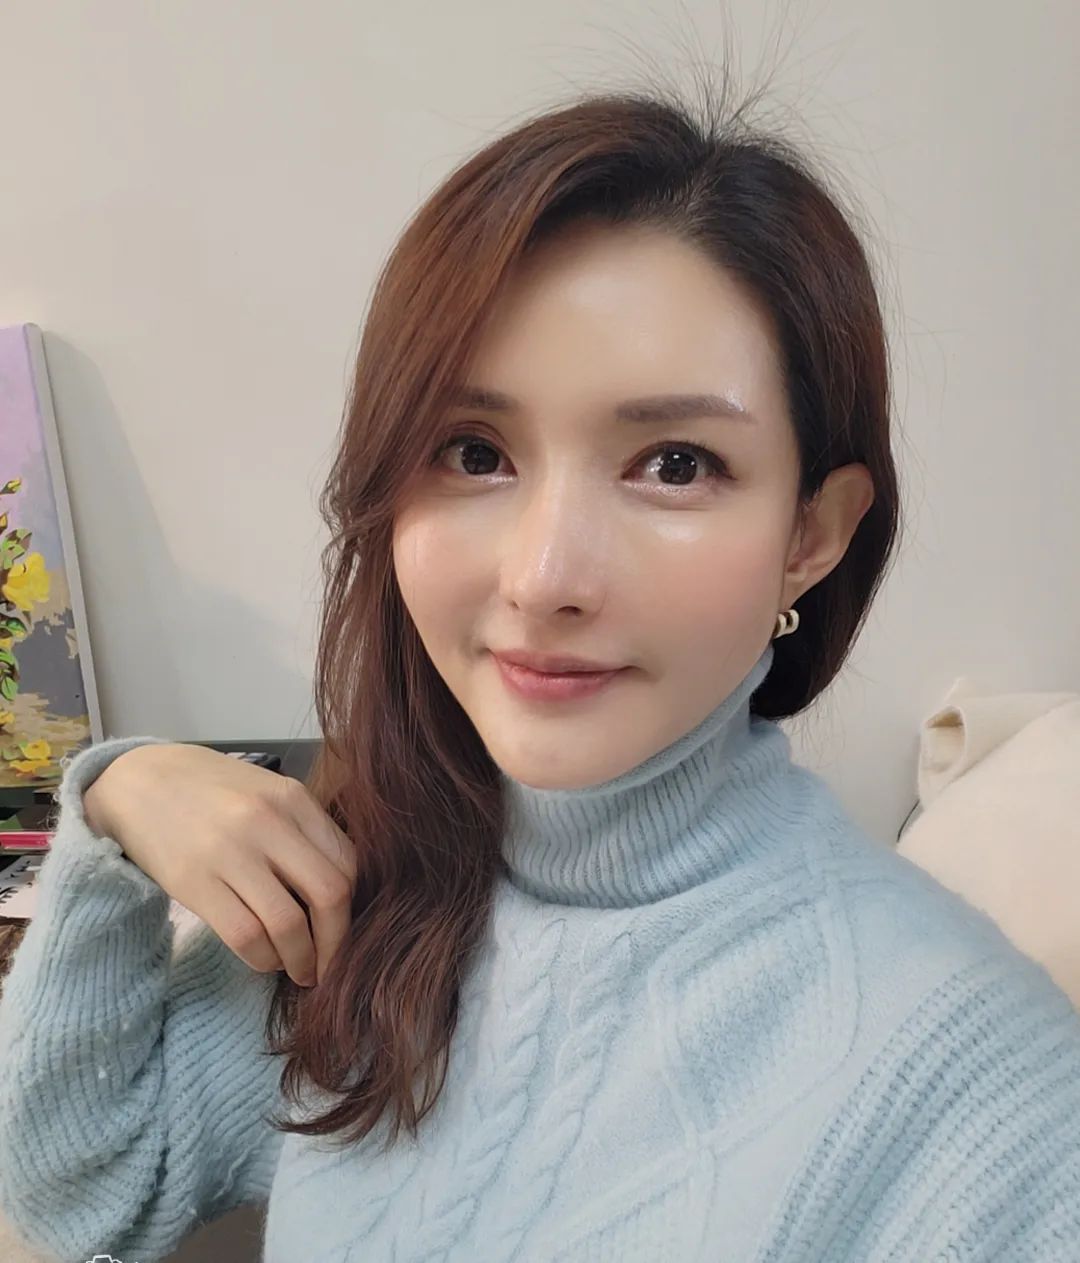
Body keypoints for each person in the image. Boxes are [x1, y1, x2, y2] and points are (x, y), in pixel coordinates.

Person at [2, 80, 1079, 1263]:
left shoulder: (992, 1102)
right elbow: (86, 1193)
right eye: (475, 452)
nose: (544, 577)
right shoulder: (379, 888)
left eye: (676, 464)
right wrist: (119, 801)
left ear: (812, 535)